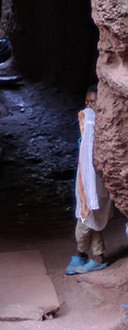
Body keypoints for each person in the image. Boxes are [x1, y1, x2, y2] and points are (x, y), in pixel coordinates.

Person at [66, 87, 113, 275]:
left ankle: (81, 253)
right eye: (87, 102)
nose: (89, 107)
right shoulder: (87, 126)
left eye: (93, 102)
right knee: (91, 221)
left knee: (84, 224)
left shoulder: (103, 129)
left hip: (97, 186)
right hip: (86, 185)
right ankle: (98, 257)